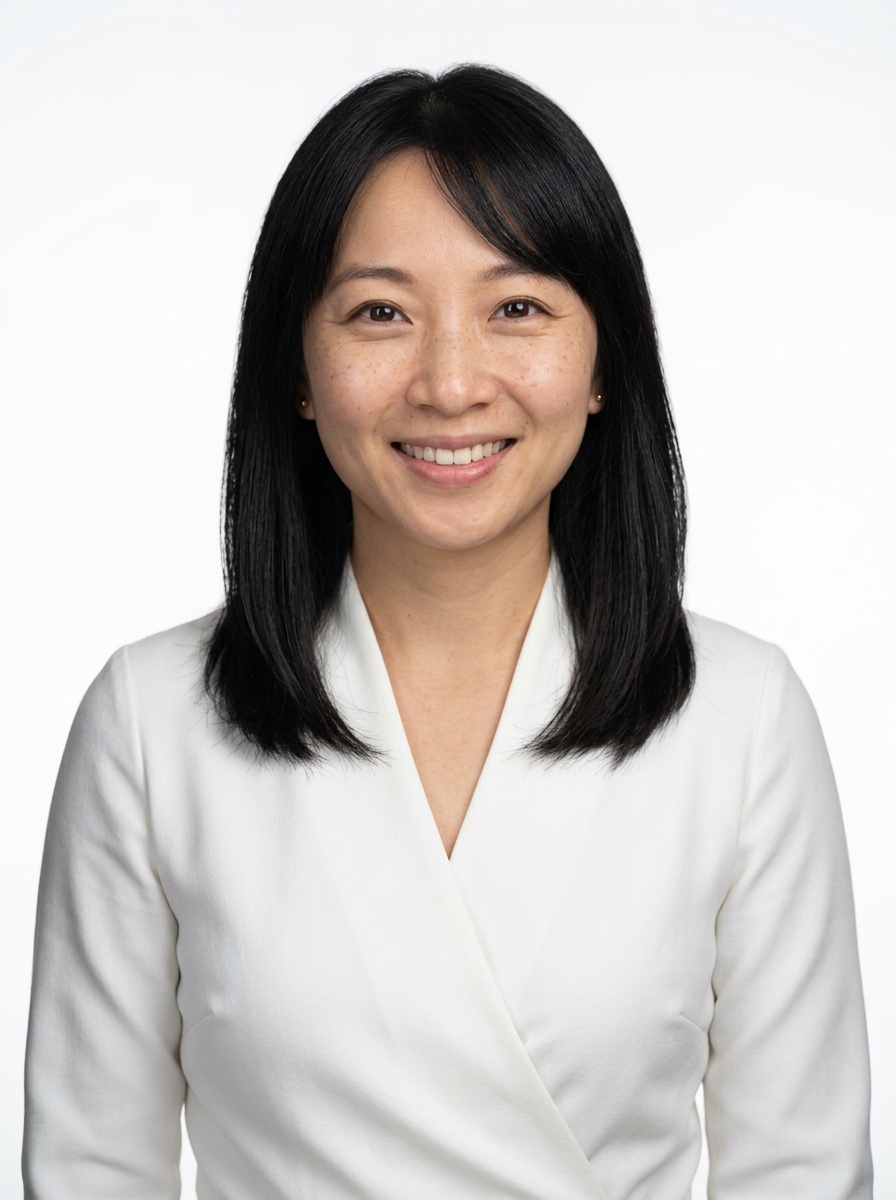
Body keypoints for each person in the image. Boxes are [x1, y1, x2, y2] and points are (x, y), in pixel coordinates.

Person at [23, 65, 872, 1199]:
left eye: (516, 307)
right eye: (380, 312)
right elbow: (90, 1172)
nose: (451, 383)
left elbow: (802, 1174)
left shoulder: (742, 717)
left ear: (603, 363)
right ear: (297, 370)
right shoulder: (150, 722)